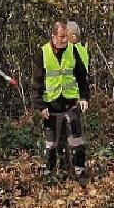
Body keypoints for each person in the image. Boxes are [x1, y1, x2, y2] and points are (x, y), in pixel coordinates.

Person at [32, 19, 90, 186]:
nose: (65, 40)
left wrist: (84, 97)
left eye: (66, 37)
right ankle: (50, 172)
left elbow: (82, 76)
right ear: (54, 36)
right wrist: (40, 105)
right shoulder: (43, 52)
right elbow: (37, 82)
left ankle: (80, 171)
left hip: (71, 103)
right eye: (62, 37)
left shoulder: (73, 50)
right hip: (51, 106)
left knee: (76, 141)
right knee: (51, 143)